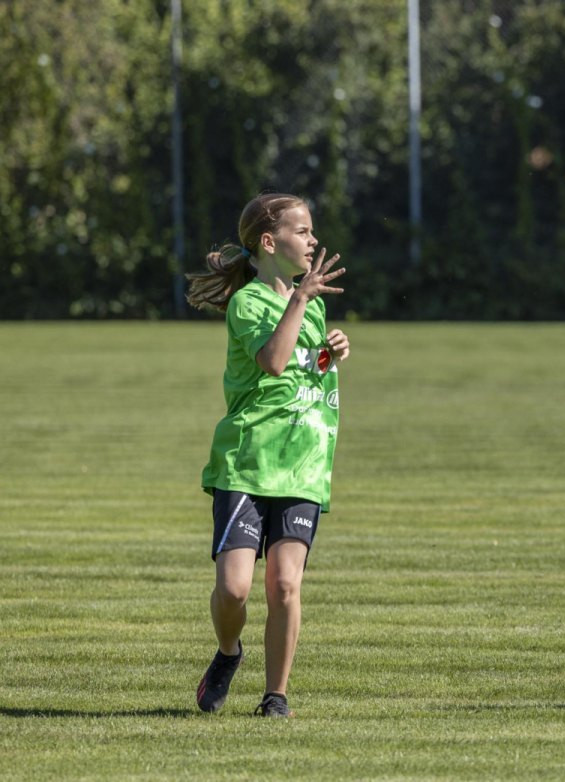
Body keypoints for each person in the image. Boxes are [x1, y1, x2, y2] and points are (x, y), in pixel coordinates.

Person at [186, 193, 349, 717]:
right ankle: (228, 653)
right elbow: (274, 363)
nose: (313, 241)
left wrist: (330, 351)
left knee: (284, 583)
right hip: (248, 462)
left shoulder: (314, 305)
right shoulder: (249, 303)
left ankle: (275, 697)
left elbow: (304, 367)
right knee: (234, 590)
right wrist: (300, 300)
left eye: (311, 231)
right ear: (269, 241)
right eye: (302, 231)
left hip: (303, 462)